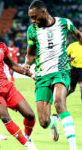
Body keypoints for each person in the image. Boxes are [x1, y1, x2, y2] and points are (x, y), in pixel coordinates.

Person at [24, 0, 82, 150]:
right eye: (31, 18)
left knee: (59, 102)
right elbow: (30, 53)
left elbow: (78, 35)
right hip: (42, 76)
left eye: (35, 17)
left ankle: (73, 146)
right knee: (43, 122)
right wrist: (27, 64)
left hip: (61, 70)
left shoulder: (64, 23)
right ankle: (53, 121)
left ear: (44, 13)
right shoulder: (32, 30)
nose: (33, 21)